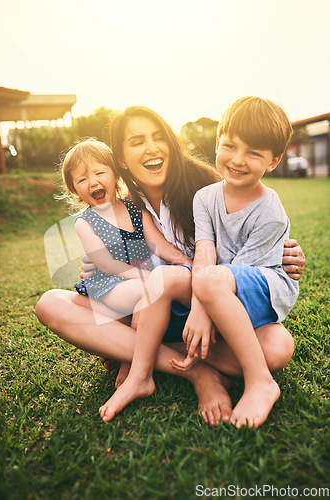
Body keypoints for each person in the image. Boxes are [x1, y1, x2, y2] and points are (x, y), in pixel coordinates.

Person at [35, 106, 305, 427]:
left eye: (158, 137)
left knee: (276, 348)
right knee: (51, 304)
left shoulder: (206, 187)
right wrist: (99, 263)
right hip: (148, 310)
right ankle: (194, 370)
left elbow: (251, 237)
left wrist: (289, 252)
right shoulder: (125, 204)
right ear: (121, 159)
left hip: (206, 308)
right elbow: (112, 259)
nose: (150, 147)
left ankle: (134, 352)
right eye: (137, 141)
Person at [171, 97, 299, 428]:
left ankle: (260, 382)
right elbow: (205, 252)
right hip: (217, 287)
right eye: (230, 145)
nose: (238, 160)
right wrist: (200, 304)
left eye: (254, 153)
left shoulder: (270, 211)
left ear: (273, 161)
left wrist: (202, 309)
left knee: (275, 350)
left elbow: (237, 274)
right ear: (217, 142)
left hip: (262, 287)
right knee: (171, 278)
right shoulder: (205, 198)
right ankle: (179, 351)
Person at [60, 138, 194, 420]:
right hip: (111, 287)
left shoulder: (135, 208)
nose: (92, 182)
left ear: (115, 174)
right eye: (82, 179)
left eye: (99, 173)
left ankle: (130, 360)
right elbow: (107, 265)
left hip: (141, 282)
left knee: (148, 295)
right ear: (74, 189)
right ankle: (133, 364)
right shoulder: (86, 222)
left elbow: (159, 245)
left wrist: (188, 263)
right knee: (146, 293)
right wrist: (148, 277)